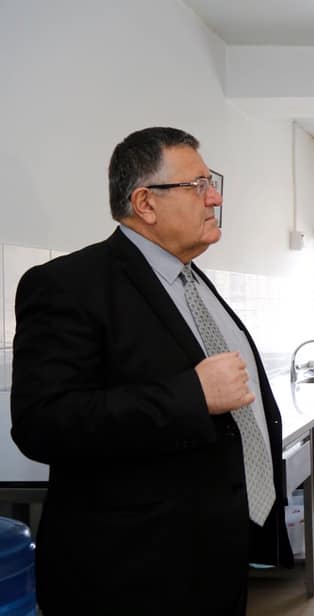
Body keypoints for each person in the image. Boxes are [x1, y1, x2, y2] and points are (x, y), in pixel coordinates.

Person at [10, 127, 292, 615]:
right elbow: (42, 423)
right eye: (198, 185)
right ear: (145, 203)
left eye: (212, 183)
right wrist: (192, 395)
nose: (215, 198)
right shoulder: (68, 285)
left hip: (212, 556)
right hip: (130, 572)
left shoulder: (193, 281)